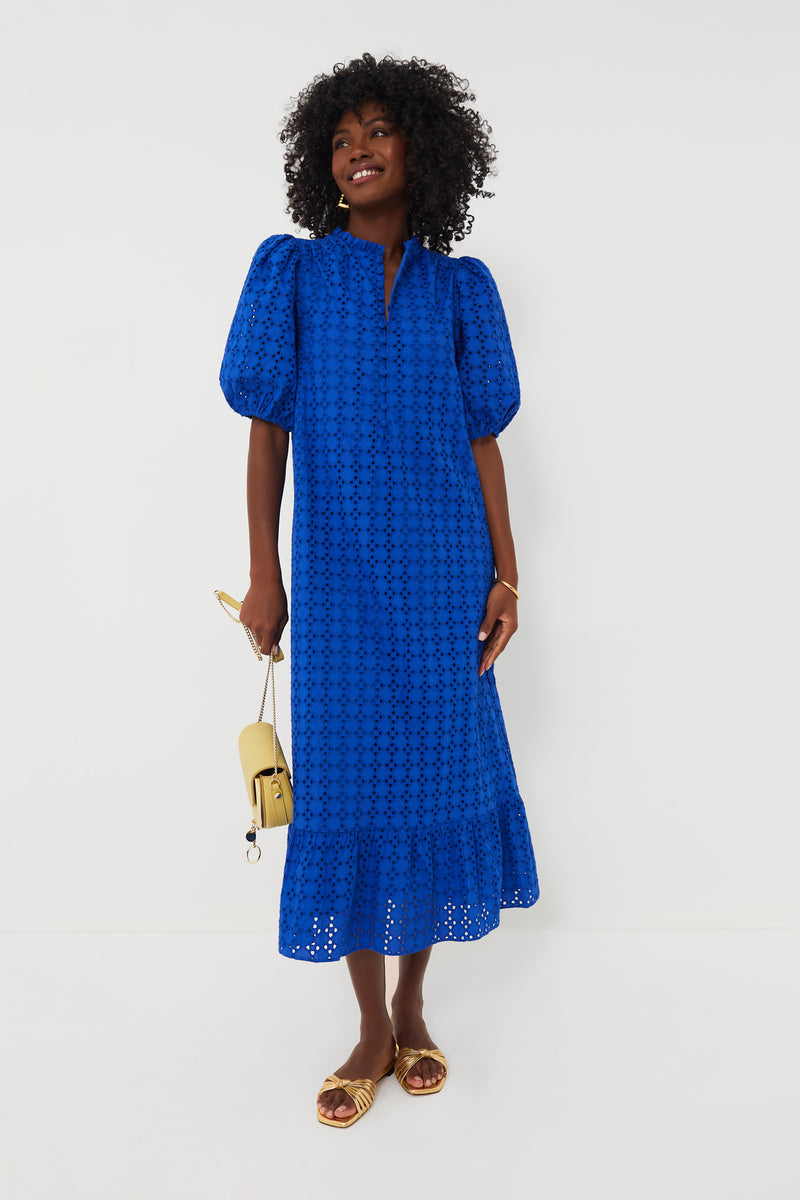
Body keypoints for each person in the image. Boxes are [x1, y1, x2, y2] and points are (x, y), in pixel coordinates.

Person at [219, 52, 540, 1128]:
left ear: (422, 150)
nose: (355, 149)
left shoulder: (463, 288)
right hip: (341, 579)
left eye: (377, 131)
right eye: (339, 137)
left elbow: (481, 437)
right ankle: (365, 1022)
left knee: (439, 786)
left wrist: (503, 569)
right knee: (350, 792)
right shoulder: (293, 274)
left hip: (446, 575)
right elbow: (267, 432)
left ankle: (412, 1003)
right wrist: (266, 572)